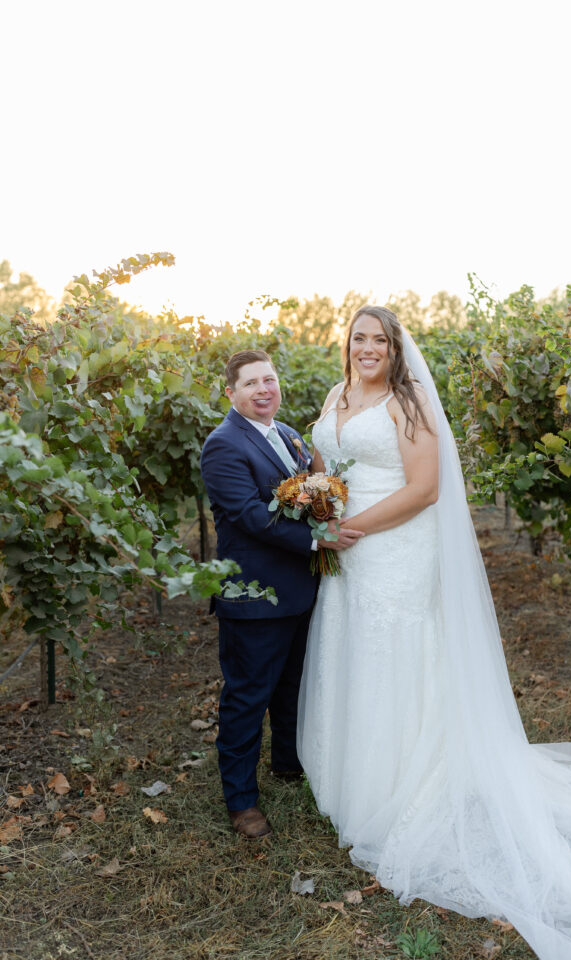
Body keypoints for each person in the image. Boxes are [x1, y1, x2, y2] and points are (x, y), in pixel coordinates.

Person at [298, 306, 571, 960]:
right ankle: (345, 775)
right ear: (349, 346)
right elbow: (324, 462)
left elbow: (424, 489)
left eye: (378, 341)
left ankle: (399, 781)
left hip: (393, 548)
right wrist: (318, 500)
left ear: (394, 349)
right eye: (358, 339)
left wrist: (355, 527)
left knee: (395, 652)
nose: (367, 349)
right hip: (345, 551)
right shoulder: (337, 395)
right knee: (351, 647)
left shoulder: (408, 401)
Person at [200, 349, 362, 839]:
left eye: (269, 380)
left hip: (298, 586)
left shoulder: (289, 434)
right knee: (248, 696)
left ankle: (288, 763)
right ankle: (241, 801)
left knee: (293, 684)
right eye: (251, 383)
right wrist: (317, 539)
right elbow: (250, 516)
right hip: (254, 594)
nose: (263, 389)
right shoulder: (223, 445)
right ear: (231, 393)